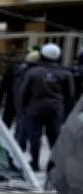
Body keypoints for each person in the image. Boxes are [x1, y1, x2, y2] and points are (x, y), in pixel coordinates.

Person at [21, 43, 76, 171]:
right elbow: (70, 95)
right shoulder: (66, 73)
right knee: (55, 137)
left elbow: (24, 92)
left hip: (34, 109)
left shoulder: (33, 72)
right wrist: (66, 112)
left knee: (35, 137)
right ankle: (55, 164)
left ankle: (34, 162)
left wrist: (23, 109)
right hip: (55, 110)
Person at [13, 49, 41, 151]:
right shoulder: (33, 73)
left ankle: (19, 145)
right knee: (25, 126)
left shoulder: (21, 70)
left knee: (20, 125)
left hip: (22, 101)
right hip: (29, 102)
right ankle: (20, 146)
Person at [0, 46, 22, 128]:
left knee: (5, 125)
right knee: (19, 128)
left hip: (10, 102)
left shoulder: (10, 69)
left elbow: (3, 86)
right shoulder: (26, 71)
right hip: (20, 104)